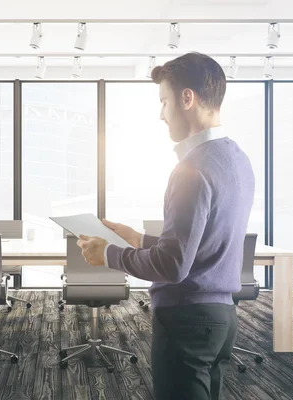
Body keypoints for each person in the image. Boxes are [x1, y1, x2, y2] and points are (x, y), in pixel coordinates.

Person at [77, 52, 255, 400]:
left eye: (164, 101)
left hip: (187, 319)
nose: (161, 114)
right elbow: (203, 243)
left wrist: (109, 253)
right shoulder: (237, 159)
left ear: (186, 99)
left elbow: (173, 266)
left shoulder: (192, 169)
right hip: (220, 318)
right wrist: (140, 239)